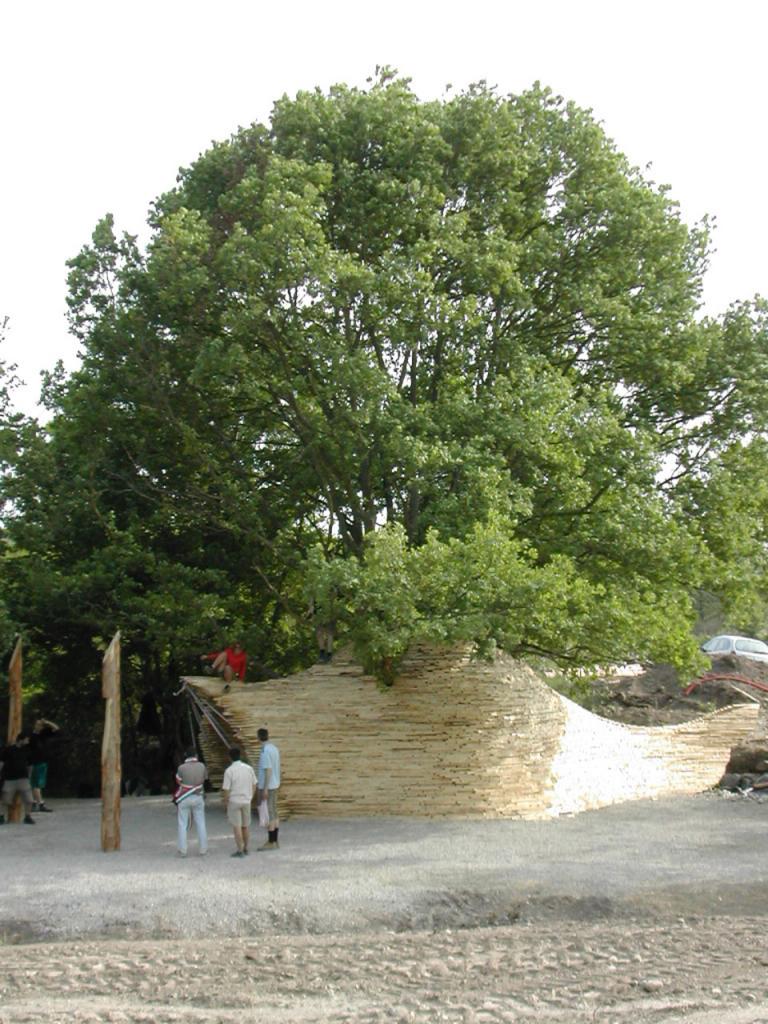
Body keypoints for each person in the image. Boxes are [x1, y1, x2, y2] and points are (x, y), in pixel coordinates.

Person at [221, 746, 257, 858]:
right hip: (246, 800)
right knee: (245, 826)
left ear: (229, 757)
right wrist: (251, 796)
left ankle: (239, 850)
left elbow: (226, 790)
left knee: (237, 826)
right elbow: (254, 784)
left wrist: (226, 803)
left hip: (234, 801)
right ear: (240, 755)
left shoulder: (229, 771)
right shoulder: (249, 768)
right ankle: (246, 848)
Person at [174, 750, 208, 857]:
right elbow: (204, 779)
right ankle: (203, 849)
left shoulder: (181, 767)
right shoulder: (202, 766)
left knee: (182, 823)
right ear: (196, 755)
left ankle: (183, 850)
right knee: (201, 823)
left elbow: (178, 781)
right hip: (198, 795)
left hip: (185, 796)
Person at [0, 733, 35, 825]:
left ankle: (27, 817)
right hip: (9, 779)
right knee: (5, 800)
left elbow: (30, 765)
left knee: (29, 800)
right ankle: (1, 817)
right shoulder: (9, 749)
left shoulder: (28, 750)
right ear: (20, 740)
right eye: (26, 740)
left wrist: (29, 776)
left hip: (23, 779)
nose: (28, 741)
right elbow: (1, 762)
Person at [256, 727, 281, 851]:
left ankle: (271, 841)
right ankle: (275, 840)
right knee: (274, 812)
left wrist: (265, 788)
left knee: (269, 813)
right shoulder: (274, 748)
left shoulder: (265, 751)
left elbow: (268, 770)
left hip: (269, 785)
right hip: (275, 784)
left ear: (258, 737)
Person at [28, 718, 61, 812]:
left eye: (41, 725)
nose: (39, 726)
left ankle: (34, 803)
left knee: (38, 784)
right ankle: (40, 804)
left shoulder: (43, 734)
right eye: (38, 724)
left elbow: (57, 729)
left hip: (43, 762)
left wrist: (47, 722)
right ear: (35, 725)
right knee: (35, 784)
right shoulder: (31, 736)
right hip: (35, 762)